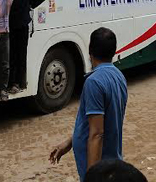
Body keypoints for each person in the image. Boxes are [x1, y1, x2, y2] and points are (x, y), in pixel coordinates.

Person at [49, 28, 128, 181]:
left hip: (101, 170)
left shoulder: (94, 82)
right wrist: (69, 142)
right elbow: (98, 123)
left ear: (90, 50)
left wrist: (93, 177)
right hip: (112, 164)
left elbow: (97, 133)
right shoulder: (118, 76)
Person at [8, 0, 35, 94]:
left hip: (22, 27)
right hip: (11, 27)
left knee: (21, 56)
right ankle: (12, 83)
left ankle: (20, 82)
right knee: (12, 56)